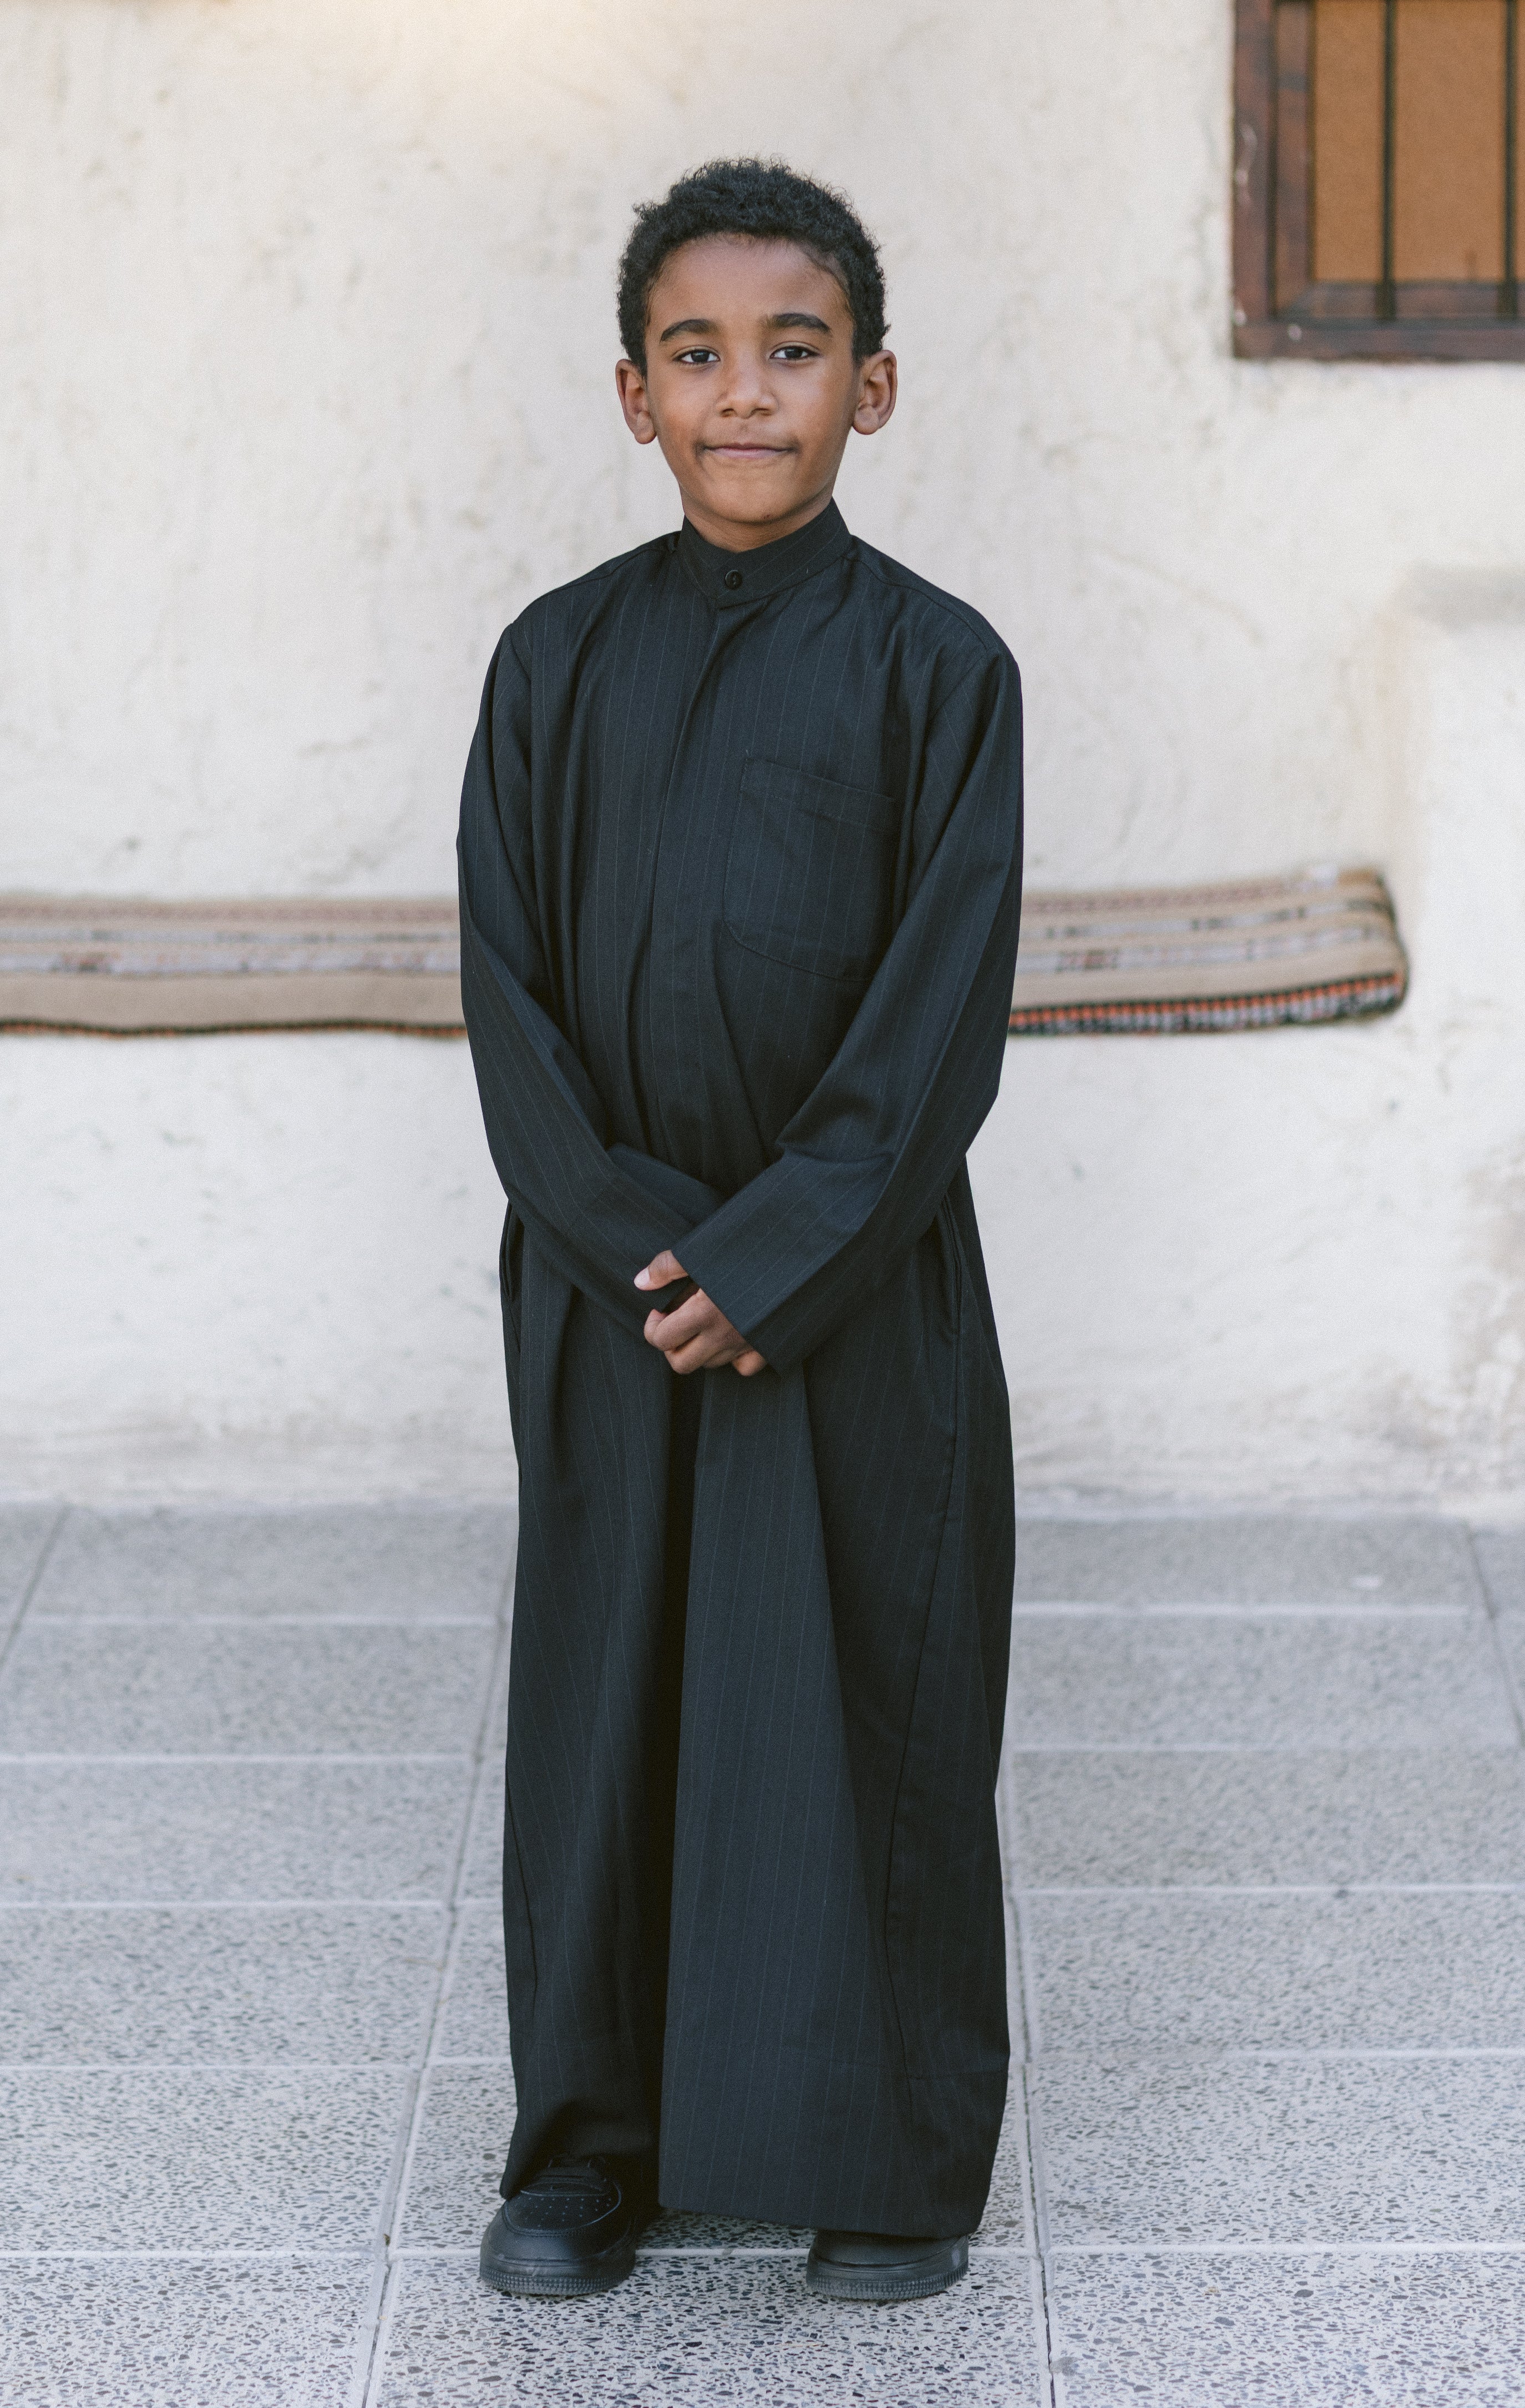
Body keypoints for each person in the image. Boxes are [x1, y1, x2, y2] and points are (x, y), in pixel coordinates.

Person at [458, 157, 1023, 2306]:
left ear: (871, 386)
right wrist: (642, 1252)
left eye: (794, 350)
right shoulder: (552, 662)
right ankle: (592, 2145)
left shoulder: (941, 670)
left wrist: (778, 1255)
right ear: (636, 395)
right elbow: (509, 1002)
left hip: (853, 1294)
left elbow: (938, 1013)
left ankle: (883, 2156)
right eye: (696, 355)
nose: (745, 393)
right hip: (611, 1294)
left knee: (860, 1696)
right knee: (612, 1698)